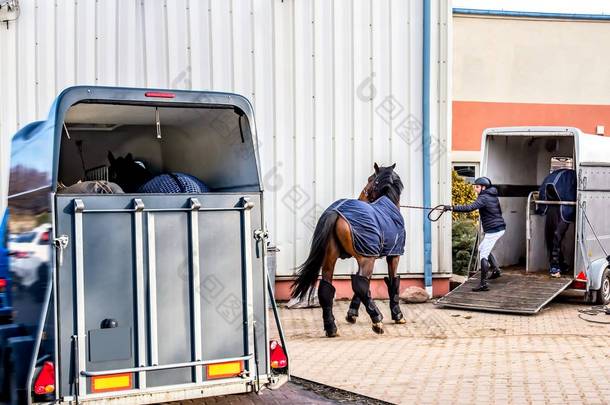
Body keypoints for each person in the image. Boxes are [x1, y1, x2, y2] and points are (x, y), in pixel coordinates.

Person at [444, 177, 506, 291]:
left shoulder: (483, 198)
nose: (475, 189)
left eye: (477, 187)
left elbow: (469, 208)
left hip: (494, 229)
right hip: (498, 228)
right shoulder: (492, 196)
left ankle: (483, 284)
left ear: (483, 187)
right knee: (483, 248)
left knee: (483, 254)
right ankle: (496, 270)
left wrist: (452, 208)